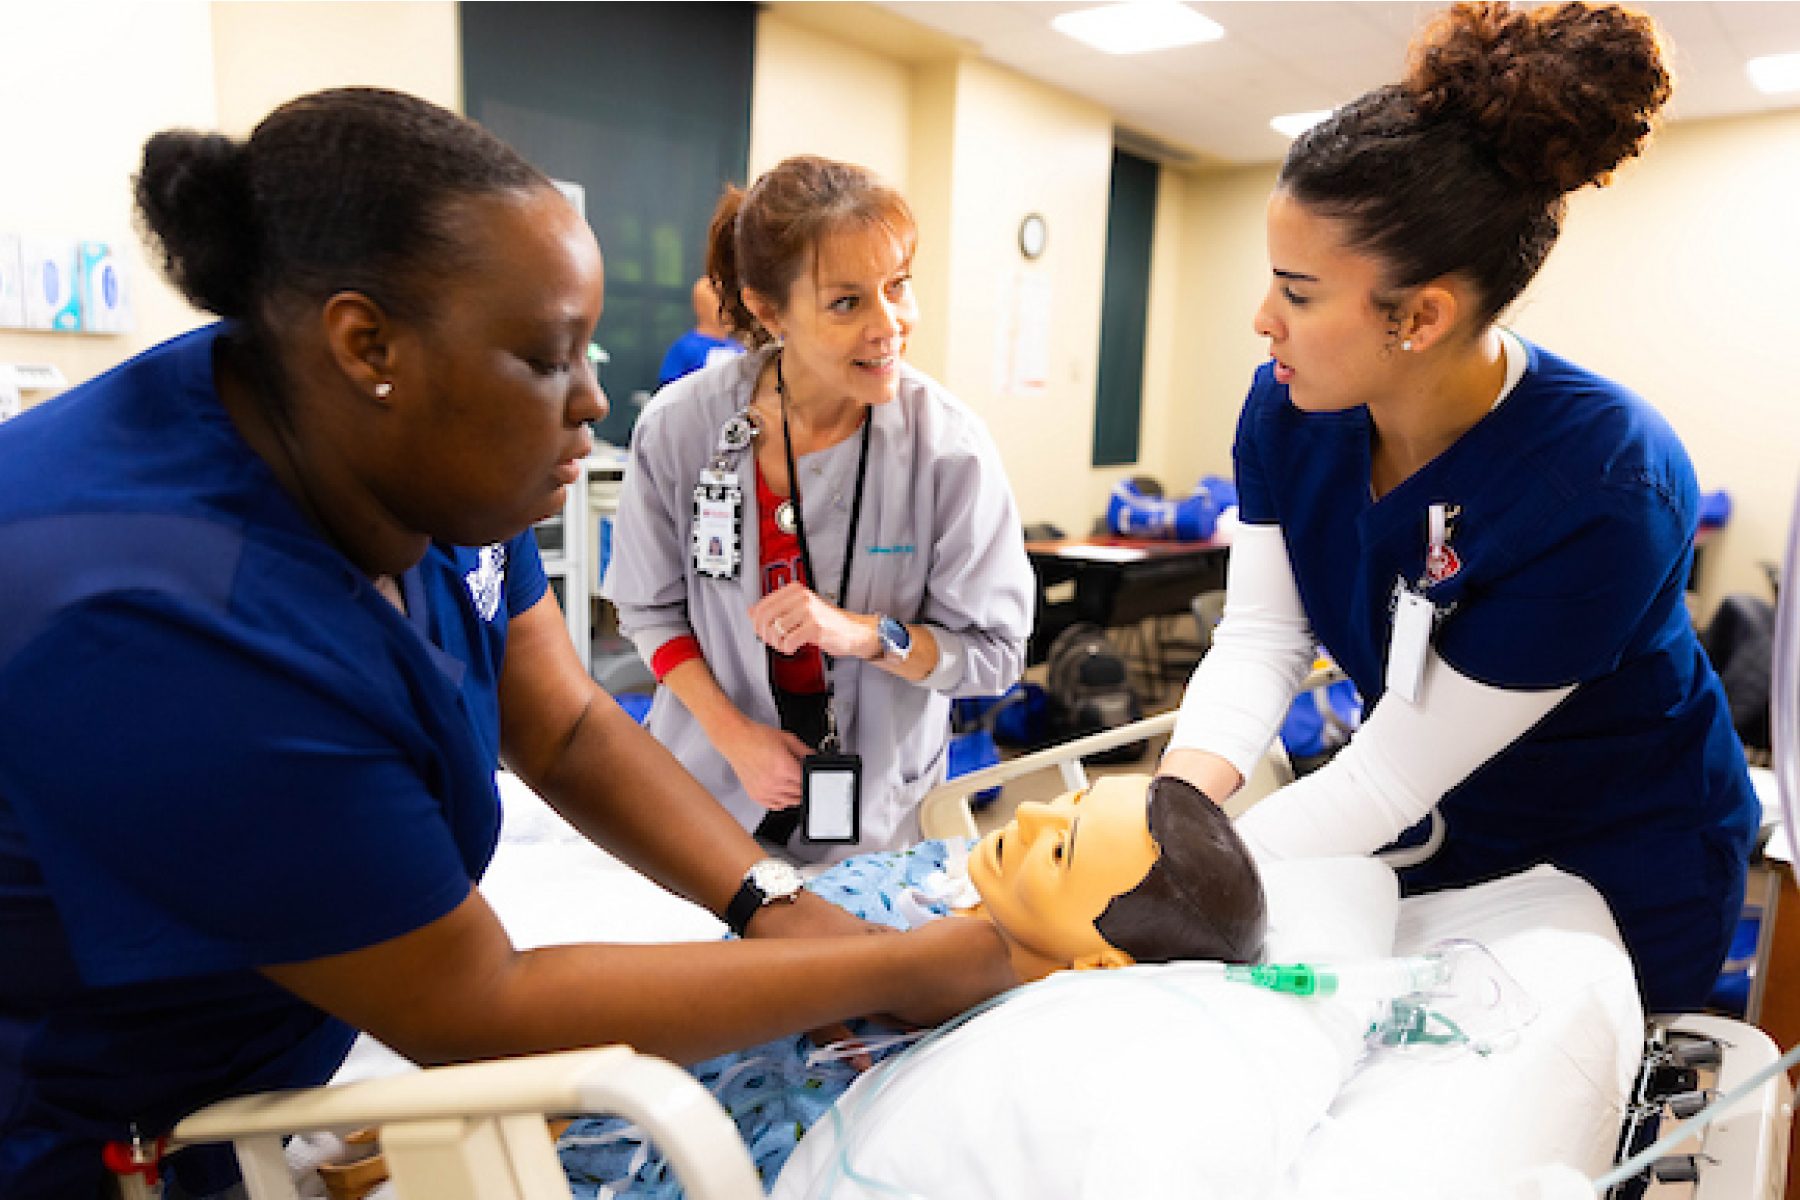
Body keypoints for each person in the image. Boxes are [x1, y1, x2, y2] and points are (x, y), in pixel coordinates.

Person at [0, 89, 1017, 1200]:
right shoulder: (163, 623)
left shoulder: (416, 467)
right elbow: (474, 1005)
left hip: (279, 1049)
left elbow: (570, 720)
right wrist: (900, 964)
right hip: (92, 1121)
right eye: (548, 358)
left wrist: (777, 906)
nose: (590, 400)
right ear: (366, 344)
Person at [1158, 0, 1758, 1015]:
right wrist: (1170, 809)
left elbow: (1386, 780)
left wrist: (1155, 891)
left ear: (1420, 316)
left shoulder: (1607, 485)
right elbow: (1264, 632)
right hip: (1444, 826)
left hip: (1621, 851)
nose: (1264, 319)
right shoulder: (1291, 405)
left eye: (1298, 294)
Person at [604, 155, 1036, 861]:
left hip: (874, 822)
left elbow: (995, 654)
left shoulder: (949, 450)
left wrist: (867, 636)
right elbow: (650, 610)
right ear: (769, 310)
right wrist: (733, 737)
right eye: (847, 302)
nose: (889, 325)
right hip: (705, 801)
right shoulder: (682, 427)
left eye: (898, 287)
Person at [559, 773, 1266, 1192]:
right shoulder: (942, 868)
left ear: (1103, 967)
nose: (1027, 813)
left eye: (1059, 849)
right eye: (1069, 798)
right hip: (577, 1058)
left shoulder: (965, 1075)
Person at [657, 276, 745, 387]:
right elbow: (668, 391)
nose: (729, 312)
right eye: (721, 306)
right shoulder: (686, 347)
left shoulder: (741, 347)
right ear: (700, 308)